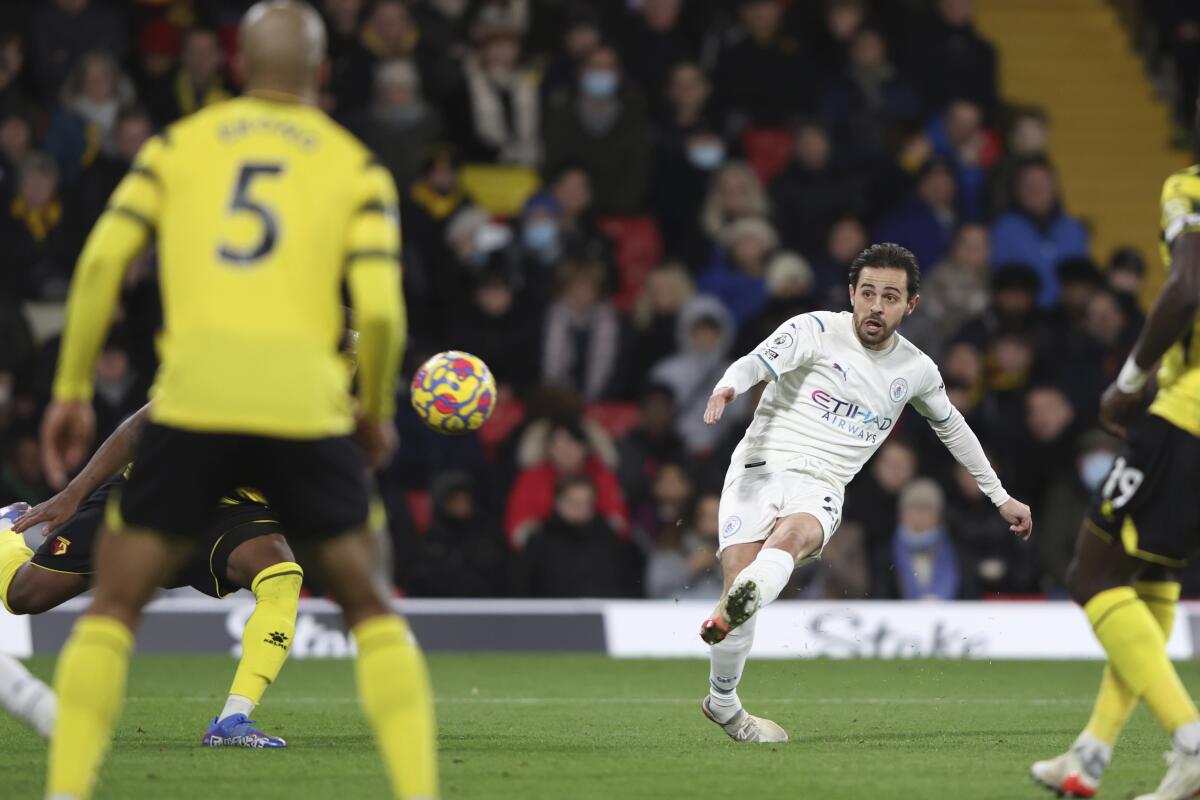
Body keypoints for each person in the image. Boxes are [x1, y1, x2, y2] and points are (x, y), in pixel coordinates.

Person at [36, 4, 434, 799]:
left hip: (195, 402)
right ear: (322, 72)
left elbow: (100, 264)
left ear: (238, 66)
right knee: (369, 605)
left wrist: (73, 387)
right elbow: (383, 312)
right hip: (304, 409)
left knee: (113, 604)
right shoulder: (353, 164)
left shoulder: (179, 147)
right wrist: (377, 410)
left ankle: (66, 789)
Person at [698, 242, 1031, 742]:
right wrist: (729, 386)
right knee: (740, 578)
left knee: (793, 539)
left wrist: (999, 495)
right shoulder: (813, 329)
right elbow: (758, 362)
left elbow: (954, 430)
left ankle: (743, 603)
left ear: (910, 305)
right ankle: (723, 702)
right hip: (758, 467)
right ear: (852, 293)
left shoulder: (916, 370)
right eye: (869, 292)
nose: (877, 305)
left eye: (891, 297)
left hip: (823, 484)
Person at [1029, 107, 1200, 800]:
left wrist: (1129, 382)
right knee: (1151, 578)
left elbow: (1188, 286)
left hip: (1187, 418)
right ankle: (1092, 755)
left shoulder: (1188, 188)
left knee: (1092, 573)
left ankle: (1191, 741)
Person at [1, 404, 301, 747]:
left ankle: (232, 720)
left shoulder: (343, 366)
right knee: (25, 595)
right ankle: (5, 531)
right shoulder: (233, 356)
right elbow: (140, 425)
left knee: (281, 575)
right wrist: (74, 492)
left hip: (235, 507)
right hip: (158, 486)